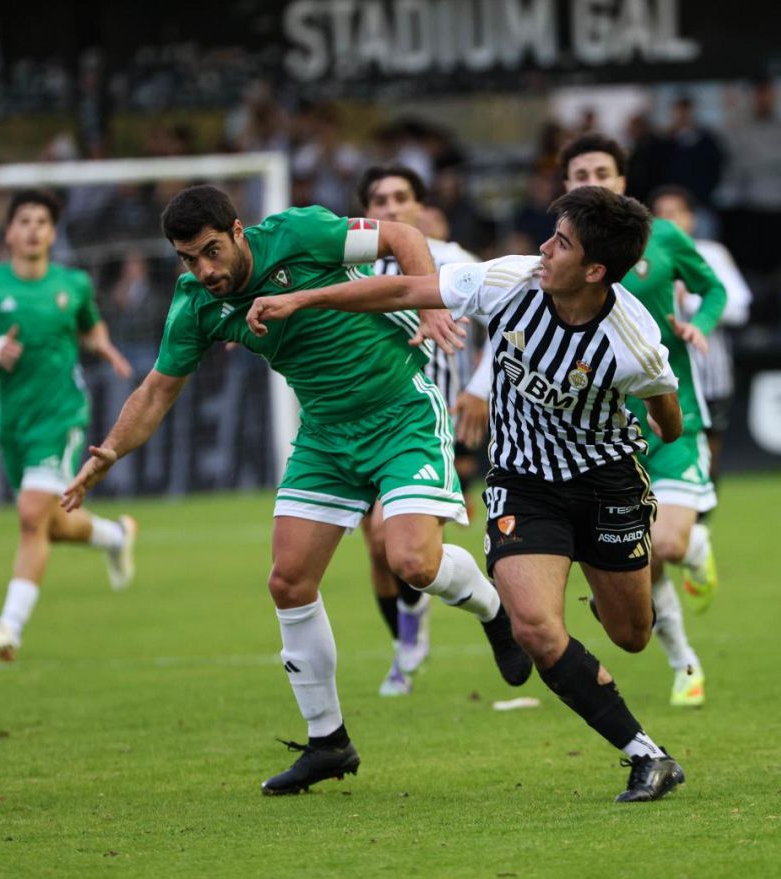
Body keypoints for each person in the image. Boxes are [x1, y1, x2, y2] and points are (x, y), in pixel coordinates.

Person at [60, 184, 530, 796]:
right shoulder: (197, 306)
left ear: (236, 230)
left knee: (412, 561)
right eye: (187, 259)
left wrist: (432, 303)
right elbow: (156, 391)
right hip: (325, 436)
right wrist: (110, 452)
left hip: (400, 413)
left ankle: (493, 610)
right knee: (288, 581)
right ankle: (327, 741)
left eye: (209, 252)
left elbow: (402, 237)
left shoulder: (301, 232)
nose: (203, 270)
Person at [247, 185, 688, 803]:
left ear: (594, 270)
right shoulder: (510, 281)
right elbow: (403, 289)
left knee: (631, 634)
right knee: (536, 628)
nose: (543, 247)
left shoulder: (630, 340)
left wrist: (666, 435)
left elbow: (667, 410)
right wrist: (304, 297)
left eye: (560, 242)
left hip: (606, 482)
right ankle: (648, 755)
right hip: (522, 483)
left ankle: (614, 592)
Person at [559, 133, 726, 708]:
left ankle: (696, 544)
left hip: (673, 418)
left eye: (602, 169)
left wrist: (699, 320)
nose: (592, 178)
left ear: (622, 181)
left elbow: (714, 286)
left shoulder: (665, 237)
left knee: (669, 545)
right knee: (642, 555)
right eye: (580, 171)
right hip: (604, 432)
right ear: (566, 185)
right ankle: (684, 663)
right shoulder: (560, 257)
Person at [0, 189, 137, 659]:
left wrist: (104, 346)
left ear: (52, 234)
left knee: (31, 517)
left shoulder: (72, 285)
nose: (33, 229)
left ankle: (9, 628)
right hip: (11, 423)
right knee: (47, 525)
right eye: (24, 221)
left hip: (61, 415)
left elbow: (89, 326)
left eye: (42, 222)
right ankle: (116, 536)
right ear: (9, 232)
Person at [356, 163, 481, 696]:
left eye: (400, 197)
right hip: (361, 426)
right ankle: (407, 636)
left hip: (434, 424)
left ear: (420, 207)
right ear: (367, 213)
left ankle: (414, 638)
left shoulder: (455, 263)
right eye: (379, 200)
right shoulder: (348, 268)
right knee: (377, 546)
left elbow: (517, 319)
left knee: (396, 537)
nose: (390, 208)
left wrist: (482, 388)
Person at [648, 186, 752, 483]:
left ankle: (701, 521)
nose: (668, 221)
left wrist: (691, 304)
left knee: (709, 449)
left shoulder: (712, 254)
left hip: (710, 371)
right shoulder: (644, 255)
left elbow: (740, 306)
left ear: (691, 218)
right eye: (660, 214)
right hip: (662, 372)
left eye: (676, 213)